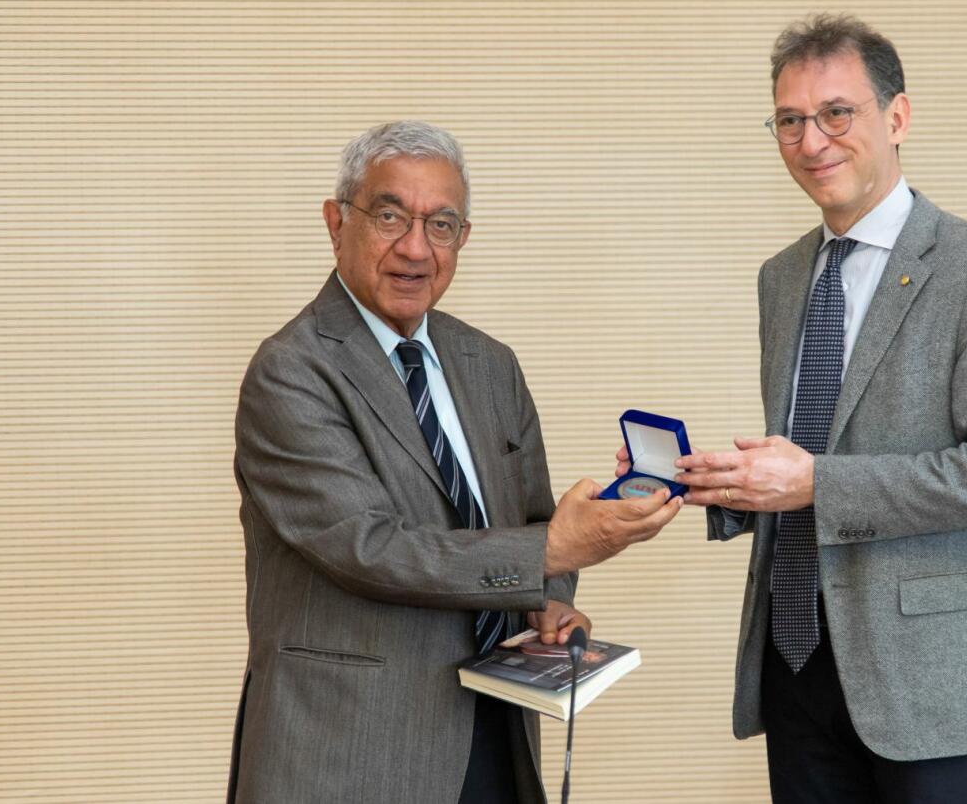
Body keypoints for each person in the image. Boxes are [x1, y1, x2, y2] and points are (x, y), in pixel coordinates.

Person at [625, 14, 967, 803]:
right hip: (797, 664)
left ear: (898, 117)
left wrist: (816, 482)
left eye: (836, 113)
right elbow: (806, 454)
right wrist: (719, 483)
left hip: (934, 682)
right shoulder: (782, 277)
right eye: (789, 120)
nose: (811, 140)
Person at [228, 120, 681, 804]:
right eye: (389, 216)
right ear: (336, 222)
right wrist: (551, 549)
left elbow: (534, 523)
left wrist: (551, 600)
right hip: (347, 748)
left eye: (440, 224)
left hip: (496, 730)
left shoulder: (490, 364)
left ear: (462, 238)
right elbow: (369, 548)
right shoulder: (290, 371)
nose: (416, 248)